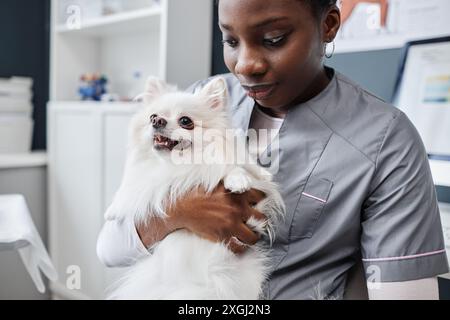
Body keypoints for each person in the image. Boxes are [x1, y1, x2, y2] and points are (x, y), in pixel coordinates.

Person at [97, 0, 449, 299]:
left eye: (273, 39)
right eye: (230, 40)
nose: (245, 64)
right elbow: (110, 249)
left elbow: (406, 291)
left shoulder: (386, 138)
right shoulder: (198, 104)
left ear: (327, 25)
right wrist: (177, 212)